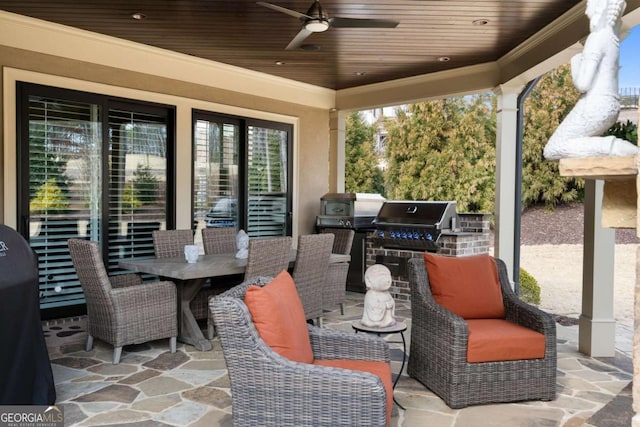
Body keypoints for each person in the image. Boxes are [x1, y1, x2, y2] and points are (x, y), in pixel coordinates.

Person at [544, 0, 638, 160]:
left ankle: (623, 149)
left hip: (595, 104)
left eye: (590, 5)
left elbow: (582, 84)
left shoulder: (596, 38)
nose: (587, 11)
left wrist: (575, 62)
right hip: (610, 104)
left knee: (553, 148)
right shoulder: (611, 39)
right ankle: (623, 150)